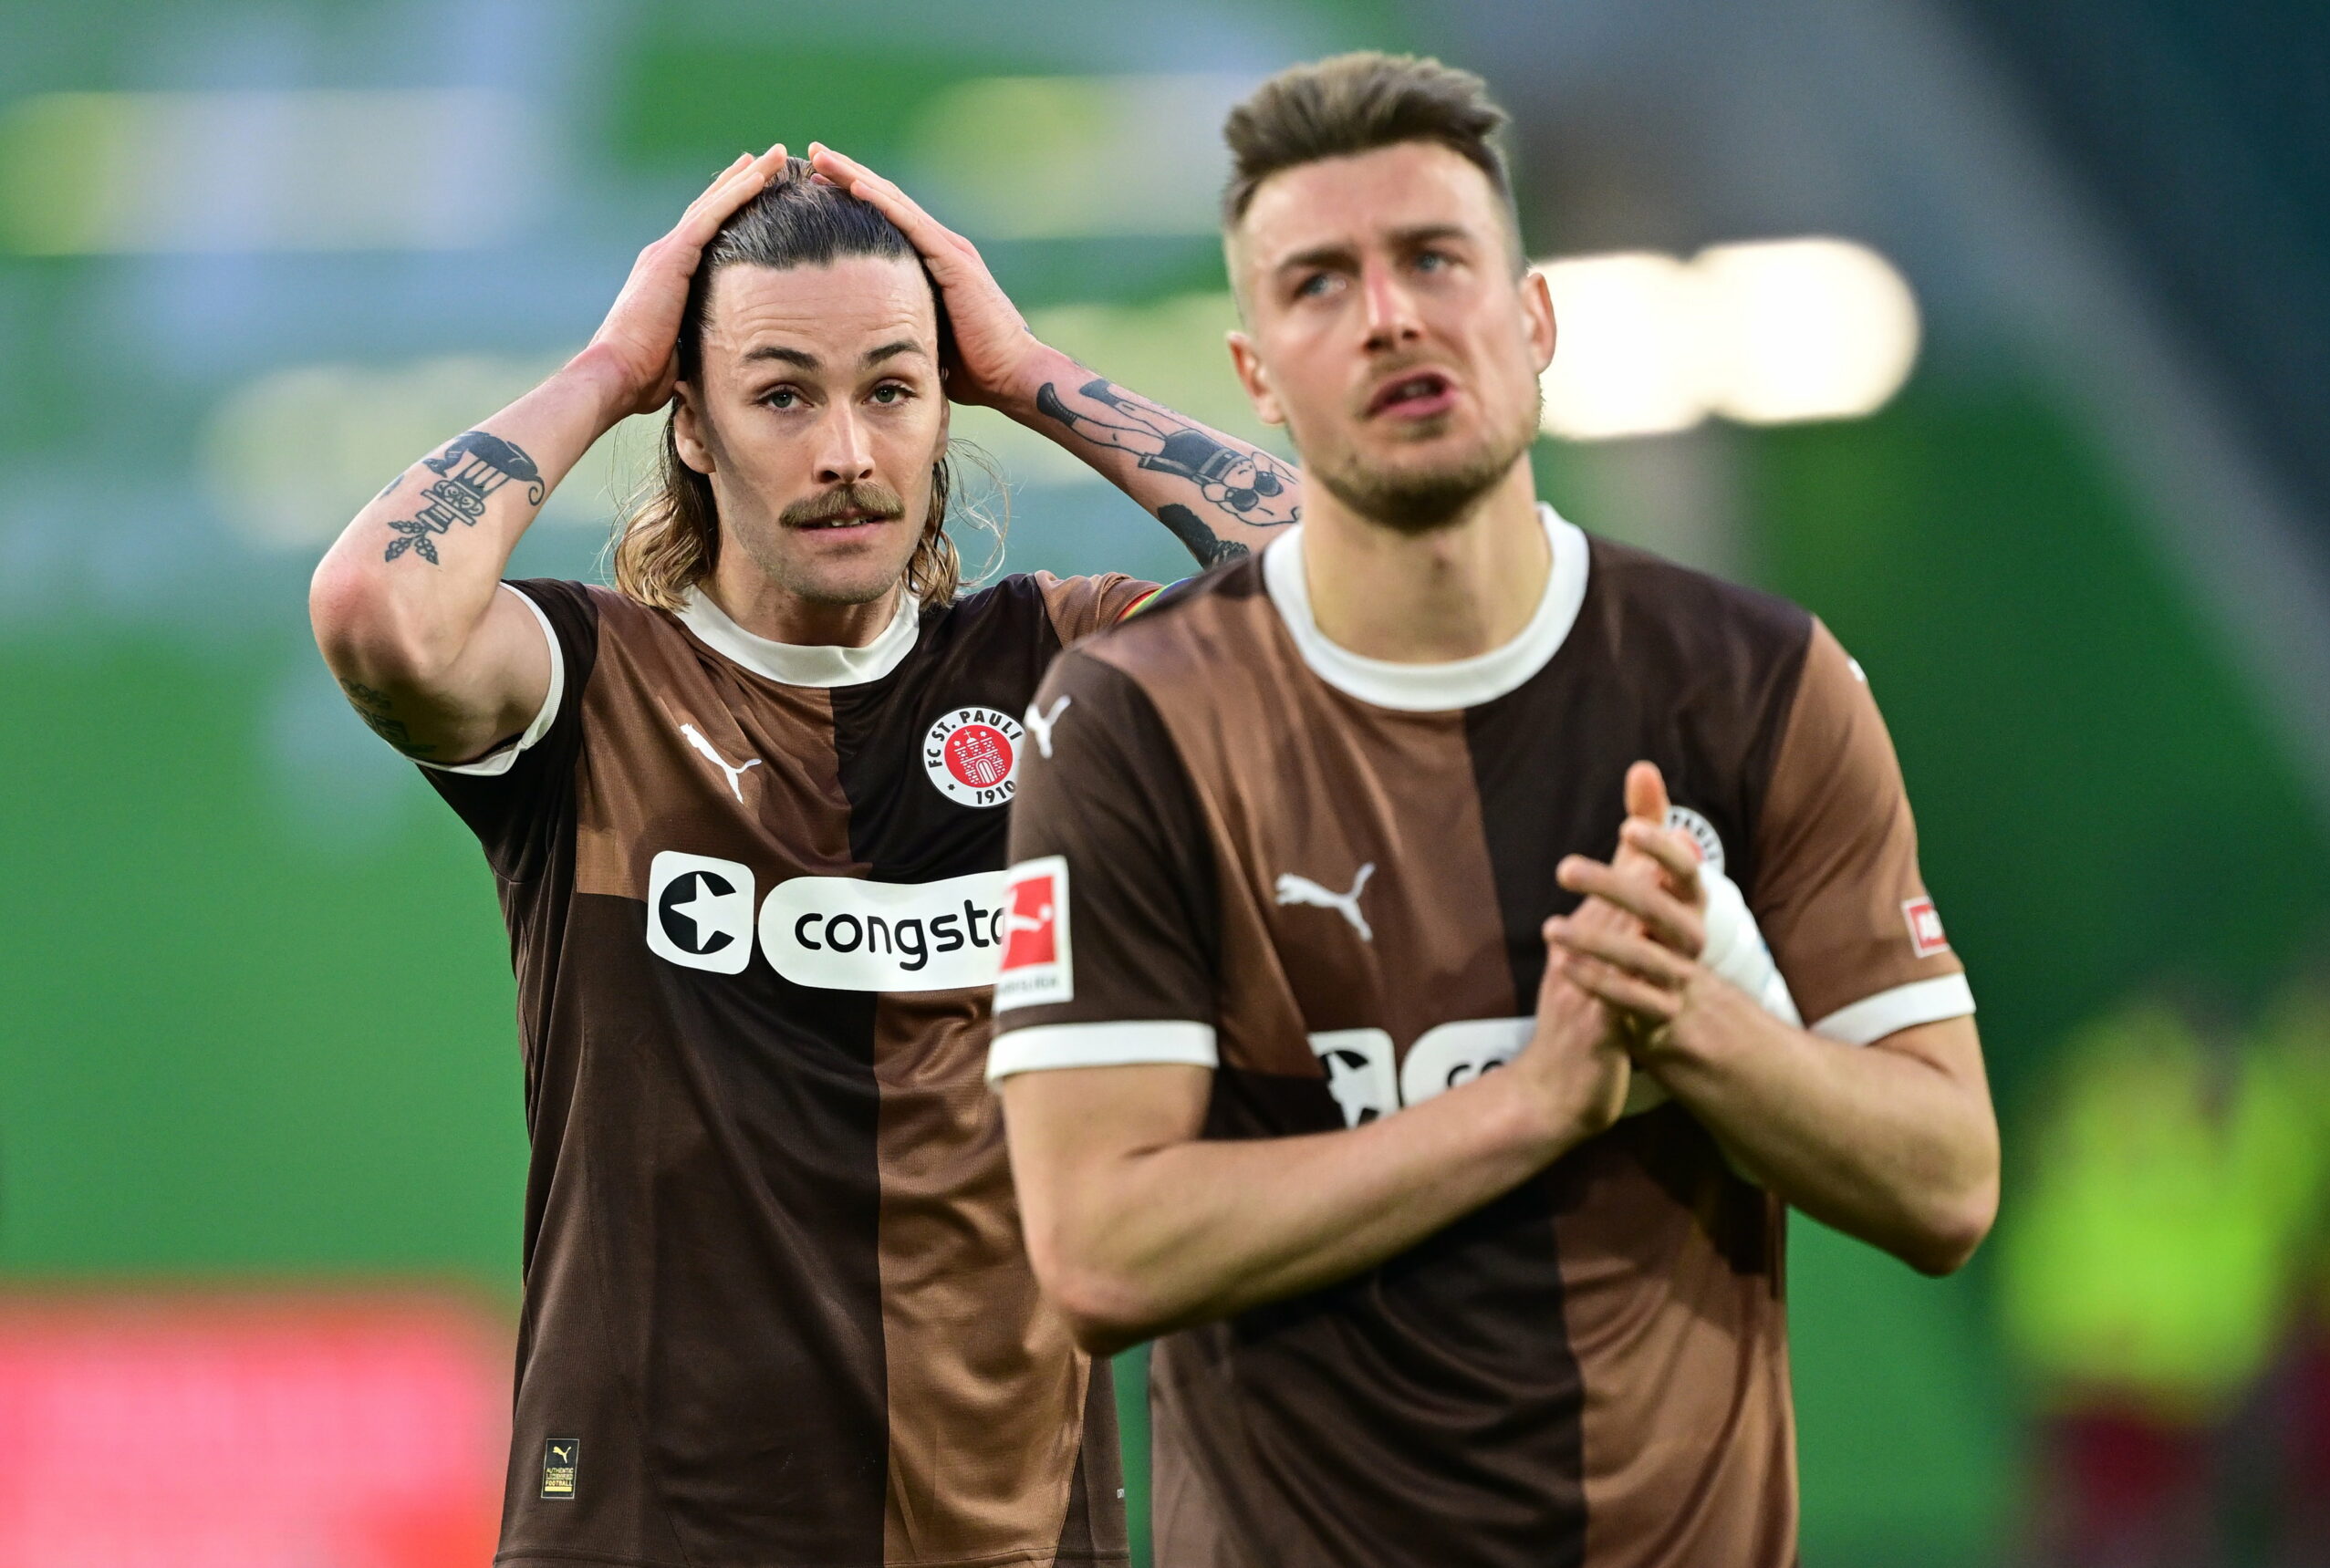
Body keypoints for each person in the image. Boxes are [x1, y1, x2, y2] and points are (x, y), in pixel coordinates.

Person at [989, 53, 2001, 1568]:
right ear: (1257, 373)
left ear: (1531, 322)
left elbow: (1950, 1180)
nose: (1390, 313)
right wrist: (1533, 1102)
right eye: (1320, 283)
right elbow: (1099, 1250)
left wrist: (1697, 1021)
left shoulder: (1760, 681)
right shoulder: (1136, 721)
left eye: (1434, 258)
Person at [307, 144, 1294, 1568]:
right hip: (650, 1535)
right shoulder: (594, 687)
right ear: (691, 426)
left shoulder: (1058, 664)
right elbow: (376, 612)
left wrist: (1026, 371)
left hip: (1011, 1541)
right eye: (782, 395)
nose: (846, 452)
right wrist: (606, 365)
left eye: (893, 389)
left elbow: (1358, 608)